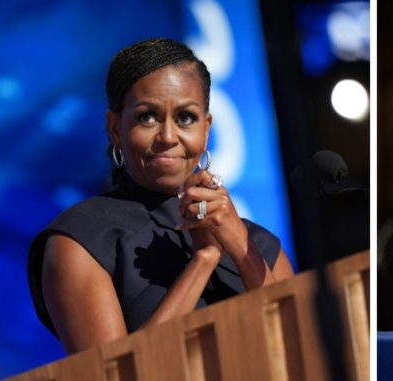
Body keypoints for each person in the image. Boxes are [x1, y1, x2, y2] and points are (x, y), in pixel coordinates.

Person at [28, 38, 294, 353]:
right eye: (147, 117)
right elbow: (112, 375)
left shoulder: (259, 244)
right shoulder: (82, 239)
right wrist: (202, 262)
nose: (168, 137)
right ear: (115, 128)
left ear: (206, 128)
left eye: (186, 118)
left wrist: (239, 247)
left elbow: (301, 347)